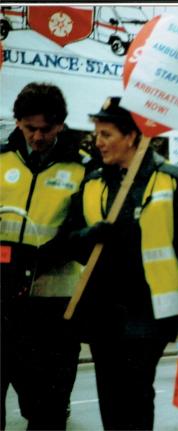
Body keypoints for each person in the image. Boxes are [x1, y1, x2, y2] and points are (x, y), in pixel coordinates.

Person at [43, 96, 178, 430]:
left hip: (149, 311)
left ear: (132, 137)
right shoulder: (93, 181)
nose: (98, 142)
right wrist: (90, 235)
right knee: (109, 394)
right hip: (101, 310)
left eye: (106, 134)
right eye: (98, 134)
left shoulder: (171, 180)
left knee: (136, 391)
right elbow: (67, 241)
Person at [1, 83, 92, 430]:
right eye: (29, 128)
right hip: (1, 300)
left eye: (46, 129)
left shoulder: (83, 168)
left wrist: (45, 255)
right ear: (18, 122)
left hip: (52, 307)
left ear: (61, 126)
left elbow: (85, 233)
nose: (37, 137)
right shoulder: (0, 158)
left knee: (46, 410)